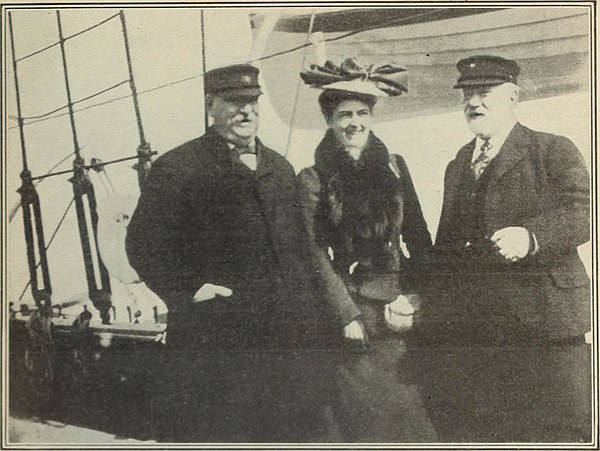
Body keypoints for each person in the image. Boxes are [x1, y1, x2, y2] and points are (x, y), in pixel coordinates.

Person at [126, 63, 328, 442]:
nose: (246, 111)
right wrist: (187, 291)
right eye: (234, 102)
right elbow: (142, 245)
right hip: (213, 338)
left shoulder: (278, 168)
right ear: (210, 105)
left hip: (278, 341)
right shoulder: (178, 167)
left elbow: (297, 249)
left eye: (252, 101)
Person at [412, 55, 592, 442]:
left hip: (548, 329)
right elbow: (446, 246)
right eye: (467, 95)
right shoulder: (459, 164)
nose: (474, 103)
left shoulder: (551, 151)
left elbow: (584, 212)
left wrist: (531, 237)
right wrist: (417, 294)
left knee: (562, 432)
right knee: (497, 432)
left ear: (512, 97)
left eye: (485, 93)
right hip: (485, 333)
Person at [296, 58, 437, 442]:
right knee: (363, 419)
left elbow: (418, 236)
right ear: (330, 121)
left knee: (413, 420)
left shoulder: (394, 167)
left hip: (399, 308)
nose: (354, 122)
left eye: (362, 112)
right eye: (344, 114)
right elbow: (312, 254)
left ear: (371, 117)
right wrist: (345, 314)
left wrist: (415, 296)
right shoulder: (313, 179)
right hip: (354, 313)